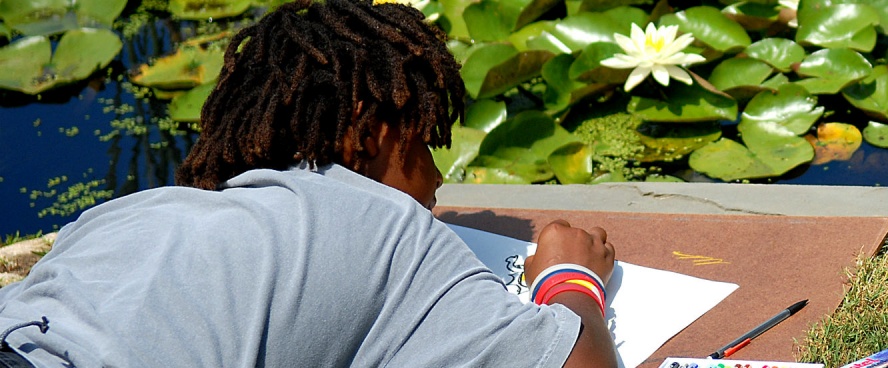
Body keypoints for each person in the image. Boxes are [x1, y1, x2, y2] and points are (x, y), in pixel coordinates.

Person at [0, 0, 619, 366]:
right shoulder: (383, 224)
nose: (435, 182)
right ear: (365, 135)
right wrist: (571, 280)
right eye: (425, 144)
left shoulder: (127, 212)